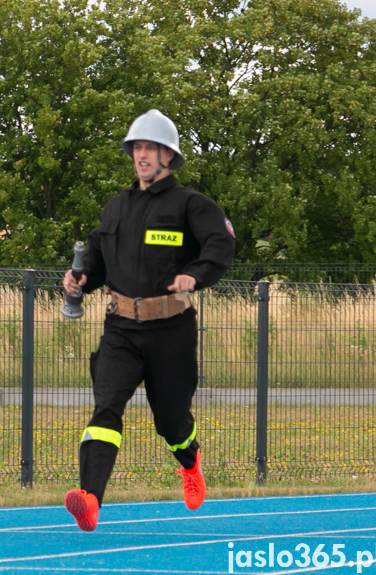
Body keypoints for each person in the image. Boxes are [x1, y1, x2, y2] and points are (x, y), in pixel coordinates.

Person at [62, 109, 235, 532]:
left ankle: (190, 463)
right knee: (106, 408)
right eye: (137, 147)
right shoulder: (116, 207)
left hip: (170, 331)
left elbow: (221, 244)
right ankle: (90, 499)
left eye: (150, 148)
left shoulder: (191, 204)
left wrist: (195, 275)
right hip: (120, 328)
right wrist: (80, 281)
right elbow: (98, 264)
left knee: (171, 423)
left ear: (168, 156)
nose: (142, 155)